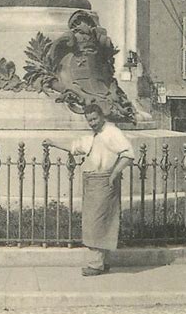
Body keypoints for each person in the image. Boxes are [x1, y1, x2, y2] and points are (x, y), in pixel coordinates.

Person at [44, 104, 135, 275]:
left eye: (94, 119)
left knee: (96, 223)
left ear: (102, 116)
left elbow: (128, 154)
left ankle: (96, 264)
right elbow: (75, 148)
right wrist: (53, 143)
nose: (92, 123)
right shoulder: (96, 135)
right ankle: (103, 262)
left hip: (103, 180)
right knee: (99, 221)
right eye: (89, 120)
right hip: (92, 181)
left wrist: (113, 174)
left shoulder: (111, 132)